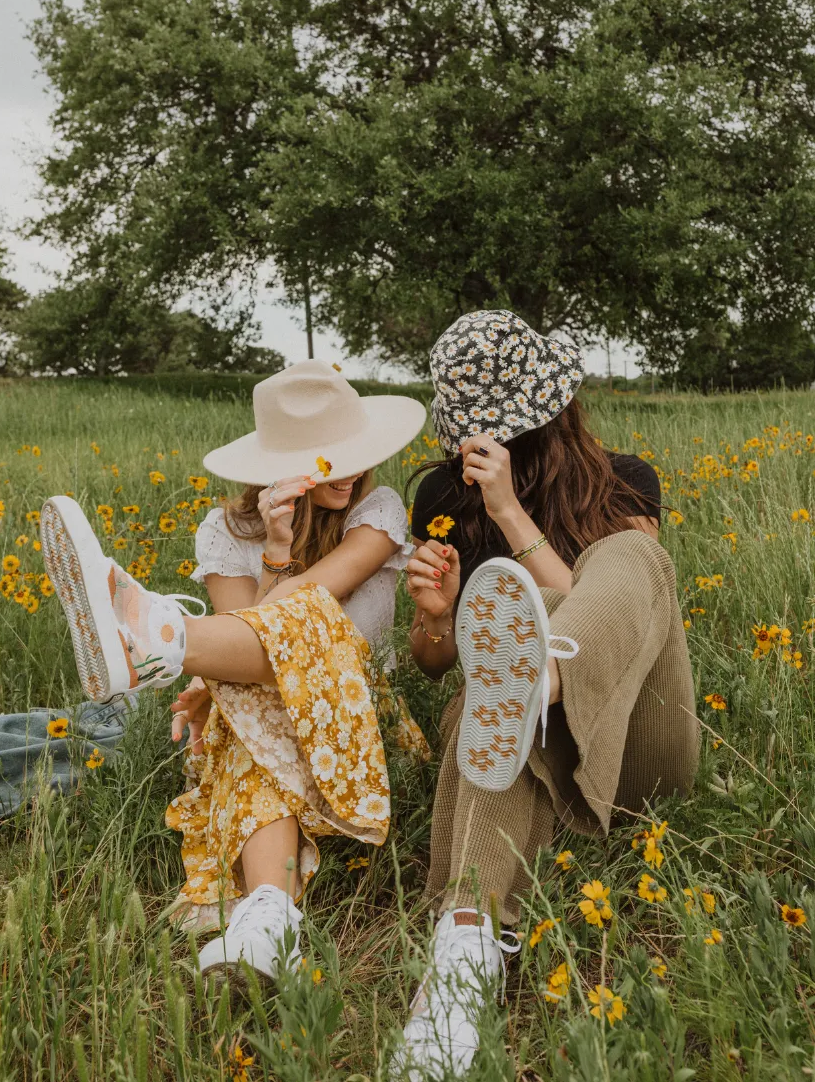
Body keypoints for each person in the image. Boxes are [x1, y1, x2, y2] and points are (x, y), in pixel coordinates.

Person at [40, 359, 427, 980]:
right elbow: (246, 654)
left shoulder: (376, 511)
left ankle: (160, 641)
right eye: (325, 457)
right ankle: (268, 923)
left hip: (362, 719)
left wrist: (204, 666)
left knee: (310, 627)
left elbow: (307, 607)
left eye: (351, 452)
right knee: (261, 712)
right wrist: (271, 549)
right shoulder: (224, 531)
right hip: (265, 713)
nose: (349, 471)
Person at [395, 310, 698, 1076]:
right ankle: (464, 959)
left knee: (623, 556)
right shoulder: (440, 493)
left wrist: (507, 512)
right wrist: (434, 622)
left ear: (553, 411)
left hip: (639, 742)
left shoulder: (623, 479)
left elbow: (609, 615)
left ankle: (542, 677)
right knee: (481, 701)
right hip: (523, 754)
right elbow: (434, 664)